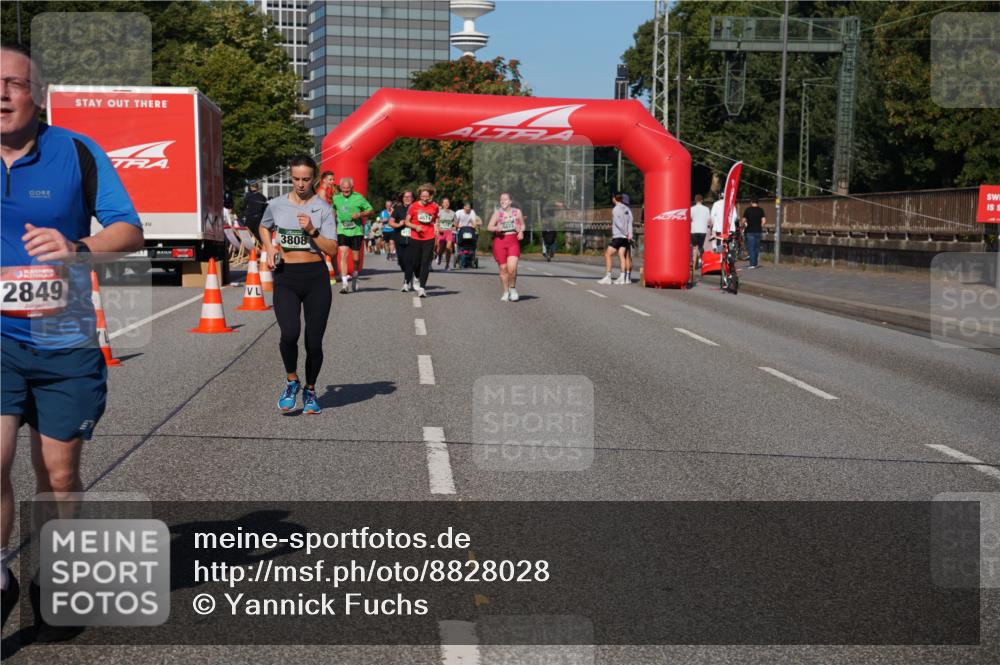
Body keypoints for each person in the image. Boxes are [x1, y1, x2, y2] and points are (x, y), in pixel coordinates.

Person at [1, 44, 144, 638]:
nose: (0, 94)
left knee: (57, 473)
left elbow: (130, 231)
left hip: (64, 334)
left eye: (12, 83)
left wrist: (77, 249)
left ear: (38, 93)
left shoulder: (77, 151)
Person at [260, 155, 337, 414]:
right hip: (286, 276)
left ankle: (311, 389)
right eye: (295, 179)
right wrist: (270, 248)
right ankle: (292, 381)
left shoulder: (324, 208)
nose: (300, 184)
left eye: (305, 179)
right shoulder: (277, 204)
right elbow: (263, 226)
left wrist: (313, 231)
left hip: (315, 276)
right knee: (289, 333)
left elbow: (333, 250)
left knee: (313, 342)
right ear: (290, 177)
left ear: (314, 178)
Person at [331, 176, 373, 293]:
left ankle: (355, 274)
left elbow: (371, 210)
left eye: (348, 189)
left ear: (352, 188)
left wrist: (360, 214)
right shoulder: (335, 198)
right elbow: (332, 210)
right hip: (342, 230)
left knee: (355, 259)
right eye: (343, 189)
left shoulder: (358, 197)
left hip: (356, 231)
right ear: (340, 188)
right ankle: (345, 284)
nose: (345, 191)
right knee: (343, 254)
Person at [487, 193, 525, 301]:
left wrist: (521, 232)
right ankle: (505, 291)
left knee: (512, 268)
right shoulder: (497, 214)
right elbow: (489, 227)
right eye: (501, 199)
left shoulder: (517, 212)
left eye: (505, 199)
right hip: (500, 243)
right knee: (503, 269)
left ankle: (512, 289)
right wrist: (496, 228)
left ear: (510, 201)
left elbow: (522, 224)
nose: (503, 201)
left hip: (513, 242)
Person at [405, 183, 439, 298]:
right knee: (416, 263)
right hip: (415, 237)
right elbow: (407, 222)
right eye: (422, 196)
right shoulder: (413, 206)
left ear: (430, 196)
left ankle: (422, 288)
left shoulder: (434, 206)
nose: (425, 198)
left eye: (427, 196)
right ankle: (417, 277)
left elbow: (435, 219)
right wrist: (415, 227)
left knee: (425, 263)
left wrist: (436, 228)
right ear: (419, 196)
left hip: (429, 237)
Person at [598, 192, 633, 285]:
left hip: (618, 236)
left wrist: (624, 233)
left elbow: (618, 223)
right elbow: (629, 223)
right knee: (622, 255)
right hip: (625, 237)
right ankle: (622, 277)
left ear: (614, 199)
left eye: (612, 197)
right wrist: (629, 235)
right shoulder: (626, 208)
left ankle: (608, 277)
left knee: (607, 254)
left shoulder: (615, 209)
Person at [391, 191, 415, 290]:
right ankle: (409, 275)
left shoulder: (416, 209)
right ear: (402, 198)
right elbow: (390, 222)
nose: (407, 198)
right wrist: (399, 225)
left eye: (409, 196)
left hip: (412, 238)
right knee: (401, 261)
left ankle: (406, 283)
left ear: (413, 198)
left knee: (408, 260)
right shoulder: (398, 209)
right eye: (405, 197)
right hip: (399, 238)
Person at [741, 198, 767, 269]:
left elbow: (743, 220)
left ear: (751, 202)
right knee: (756, 248)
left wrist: (743, 225)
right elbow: (764, 221)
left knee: (751, 248)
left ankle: (752, 264)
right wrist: (760, 226)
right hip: (758, 231)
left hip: (750, 231)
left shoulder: (748, 210)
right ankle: (755, 263)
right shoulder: (761, 210)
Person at [435, 197, 457, 270]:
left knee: (448, 248)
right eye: (445, 202)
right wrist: (438, 228)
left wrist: (454, 226)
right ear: (442, 204)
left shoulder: (453, 213)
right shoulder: (439, 212)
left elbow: (455, 223)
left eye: (447, 202)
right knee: (441, 248)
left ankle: (447, 265)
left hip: (449, 232)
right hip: (441, 232)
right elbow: (436, 221)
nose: (446, 203)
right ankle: (439, 256)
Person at [690, 194, 710, 268]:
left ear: (695, 200)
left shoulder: (692, 209)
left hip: (694, 230)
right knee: (701, 246)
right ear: (702, 200)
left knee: (694, 246)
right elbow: (708, 219)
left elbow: (690, 219)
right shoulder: (706, 209)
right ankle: (702, 261)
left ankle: (694, 262)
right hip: (703, 230)